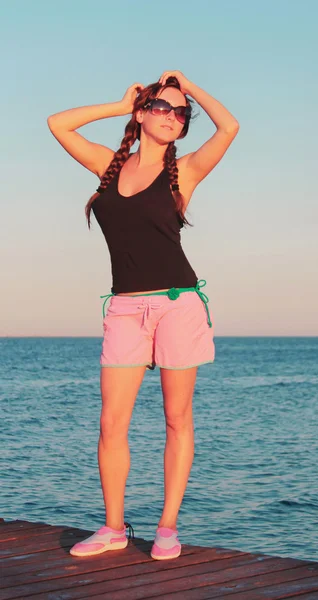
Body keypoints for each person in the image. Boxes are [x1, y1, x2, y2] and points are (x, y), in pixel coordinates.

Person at [47, 70, 239, 560]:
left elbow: (230, 127)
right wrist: (118, 104)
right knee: (112, 422)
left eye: (181, 113)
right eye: (163, 108)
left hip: (178, 303)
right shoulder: (109, 166)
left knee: (177, 419)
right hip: (126, 308)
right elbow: (57, 124)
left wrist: (189, 86)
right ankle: (113, 528)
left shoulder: (186, 171)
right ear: (142, 113)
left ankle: (167, 529)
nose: (174, 117)